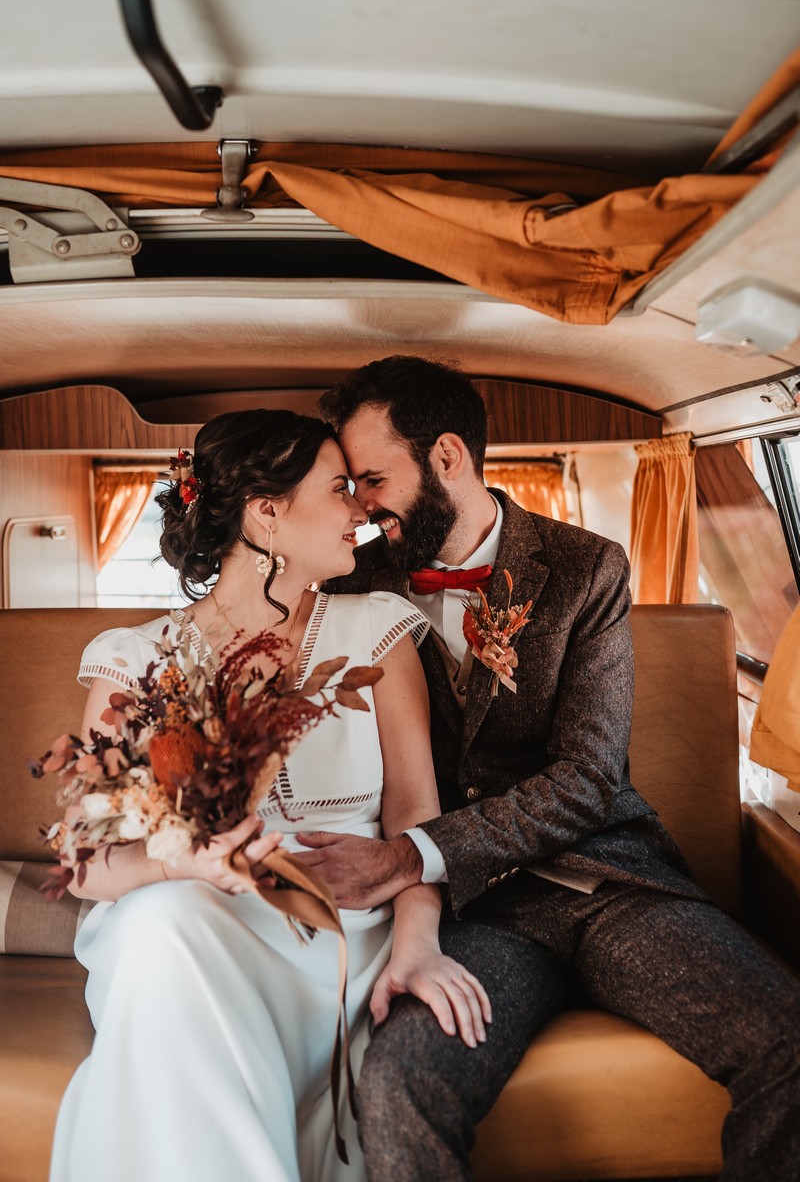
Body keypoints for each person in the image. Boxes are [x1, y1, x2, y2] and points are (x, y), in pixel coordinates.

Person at [298, 355, 800, 1182]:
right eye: (349, 486)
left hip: (610, 886)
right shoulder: (353, 581)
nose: (360, 506)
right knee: (396, 1086)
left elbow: (588, 779)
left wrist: (407, 854)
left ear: (448, 457)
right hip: (475, 919)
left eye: (374, 479)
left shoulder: (586, 567)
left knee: (789, 1039)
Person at [49, 408, 490, 1182]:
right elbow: (86, 861)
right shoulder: (137, 661)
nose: (361, 510)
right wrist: (183, 861)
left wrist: (419, 943)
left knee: (172, 928)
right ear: (267, 513)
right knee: (164, 924)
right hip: (186, 911)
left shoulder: (376, 630)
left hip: (345, 926)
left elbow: (417, 815)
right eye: (340, 489)